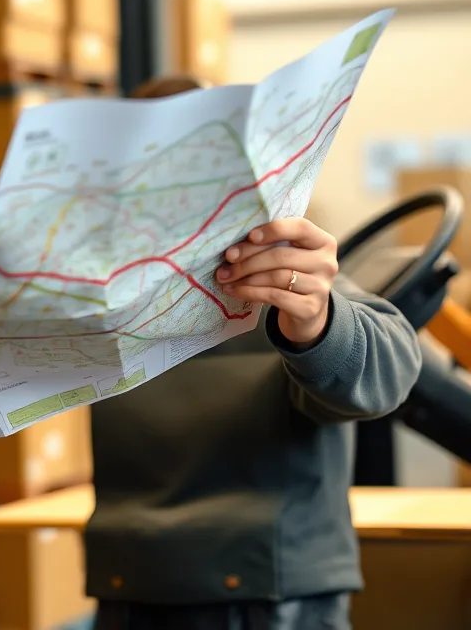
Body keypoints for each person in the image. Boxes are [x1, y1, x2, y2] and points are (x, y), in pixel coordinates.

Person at [86, 74, 423, 630]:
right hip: (131, 584)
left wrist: (316, 322)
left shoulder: (279, 279)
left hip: (272, 598)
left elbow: (388, 372)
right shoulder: (109, 290)